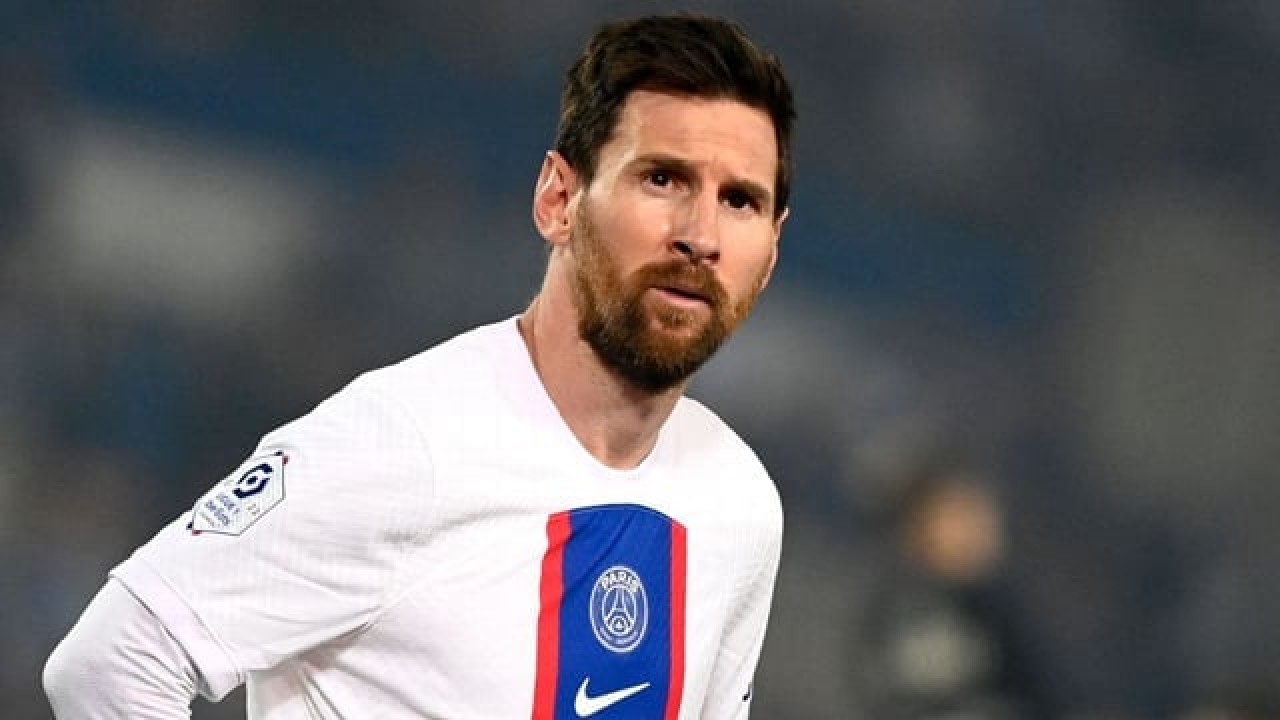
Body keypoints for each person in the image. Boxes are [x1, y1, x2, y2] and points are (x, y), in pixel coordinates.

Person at [43, 12, 795, 719]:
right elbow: (112, 664)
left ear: (770, 252)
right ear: (558, 199)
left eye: (739, 200)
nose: (701, 235)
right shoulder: (402, 444)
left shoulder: (737, 502)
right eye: (662, 179)